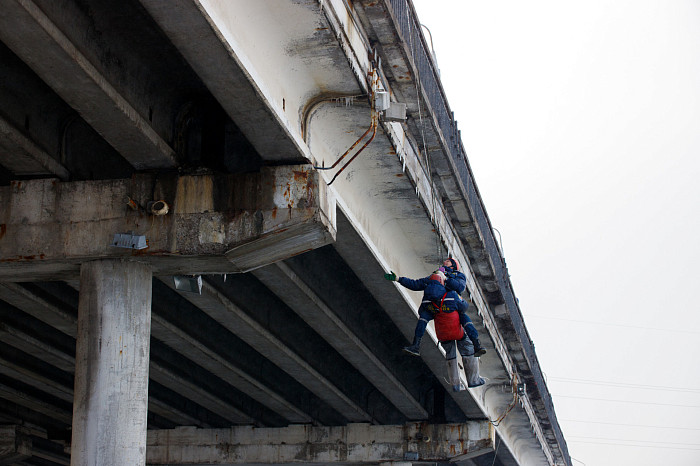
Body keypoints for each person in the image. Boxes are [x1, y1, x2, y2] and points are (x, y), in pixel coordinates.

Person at [384, 270, 484, 387]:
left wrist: (398, 279)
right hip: (456, 331)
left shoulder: (427, 301)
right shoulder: (451, 295)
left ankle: (455, 383)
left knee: (450, 355)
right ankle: (475, 363)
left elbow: (415, 285)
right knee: (467, 339)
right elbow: (464, 306)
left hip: (442, 334)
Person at [439, 258, 486, 357]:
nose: (444, 262)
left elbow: (459, 287)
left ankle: (476, 343)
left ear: (453, 265)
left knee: (465, 320)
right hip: (440, 302)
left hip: (453, 302)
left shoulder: (458, 275)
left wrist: (447, 278)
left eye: (447, 261)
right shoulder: (438, 273)